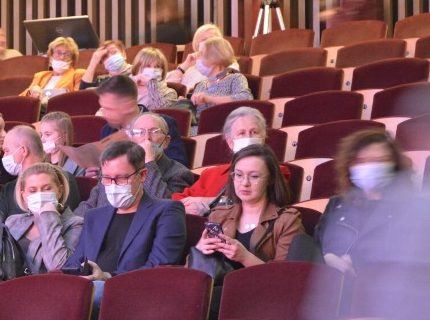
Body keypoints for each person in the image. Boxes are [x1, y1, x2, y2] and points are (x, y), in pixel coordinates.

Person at [0, 163, 83, 320]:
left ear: (59, 190)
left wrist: (48, 217)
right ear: (24, 195)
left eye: (47, 188)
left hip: (39, 297)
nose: (39, 195)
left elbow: (57, 266)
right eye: (32, 191)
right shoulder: (14, 221)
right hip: (2, 290)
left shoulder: (75, 224)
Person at [65, 140, 187, 308]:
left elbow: (159, 267)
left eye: (121, 178)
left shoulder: (167, 211)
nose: (113, 185)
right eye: (107, 178)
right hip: (89, 291)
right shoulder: (94, 216)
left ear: (143, 175)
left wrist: (107, 277)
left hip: (137, 294)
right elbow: (74, 262)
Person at [311, 130, 413, 274]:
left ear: (394, 165)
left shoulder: (412, 208)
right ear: (350, 166)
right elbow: (314, 249)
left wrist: (355, 262)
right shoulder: (336, 205)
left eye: (380, 160)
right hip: (332, 289)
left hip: (381, 291)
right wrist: (327, 259)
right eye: (361, 161)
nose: (370, 166)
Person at [193, 144, 303, 269]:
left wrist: (245, 257)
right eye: (239, 175)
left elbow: (286, 277)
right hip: (218, 287)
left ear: (270, 179)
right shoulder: (217, 215)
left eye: (254, 176)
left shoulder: (287, 221)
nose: (245, 183)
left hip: (258, 288)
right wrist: (199, 250)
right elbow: (191, 275)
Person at [172, 107, 291, 216]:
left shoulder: (277, 170)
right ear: (230, 142)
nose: (248, 137)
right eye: (241, 133)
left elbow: (263, 202)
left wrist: (210, 202)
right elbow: (177, 200)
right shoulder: (210, 174)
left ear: (263, 138)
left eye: (254, 132)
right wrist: (185, 208)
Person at [75, 113, 197, 215]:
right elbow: (90, 204)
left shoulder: (179, 173)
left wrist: (149, 162)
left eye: (155, 131)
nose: (147, 138)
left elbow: (164, 209)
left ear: (166, 141)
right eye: (139, 132)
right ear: (131, 139)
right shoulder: (114, 167)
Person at [96, 75, 189, 167]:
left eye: (109, 109)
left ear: (128, 106)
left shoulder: (163, 124)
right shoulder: (107, 130)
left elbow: (179, 166)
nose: (104, 114)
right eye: (103, 109)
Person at [0, 125, 80, 218]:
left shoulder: (63, 179)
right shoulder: (9, 189)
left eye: (7, 151)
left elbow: (70, 221)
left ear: (23, 150)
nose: (4, 157)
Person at [188, 37, 252, 120]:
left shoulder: (235, 78)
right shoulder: (200, 85)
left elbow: (246, 98)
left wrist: (210, 99)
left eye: (201, 54)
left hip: (223, 127)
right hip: (197, 129)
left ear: (215, 57)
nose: (197, 59)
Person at [165, 23, 235, 89]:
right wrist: (184, 66)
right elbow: (167, 86)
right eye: (204, 40)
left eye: (211, 39)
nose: (208, 43)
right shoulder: (191, 66)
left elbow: (224, 85)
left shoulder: (228, 64)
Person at [40, 111, 85, 177]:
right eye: (41, 134)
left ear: (65, 137)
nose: (42, 140)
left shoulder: (79, 162)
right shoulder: (39, 160)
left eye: (48, 134)